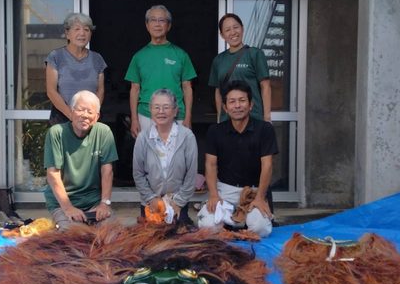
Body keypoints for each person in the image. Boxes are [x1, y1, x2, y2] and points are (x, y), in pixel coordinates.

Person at [197, 80, 278, 237]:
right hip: (225, 191)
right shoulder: (215, 131)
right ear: (226, 108)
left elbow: (267, 166)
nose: (237, 105)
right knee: (206, 226)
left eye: (242, 100)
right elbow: (211, 165)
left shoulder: (265, 130)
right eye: (232, 102)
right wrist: (214, 195)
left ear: (251, 105)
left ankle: (239, 222)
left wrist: (261, 197)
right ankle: (230, 223)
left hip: (253, 191)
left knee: (260, 229)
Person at [43, 90, 118, 229]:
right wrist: (68, 208)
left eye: (90, 112)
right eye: (80, 110)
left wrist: (104, 203)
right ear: (71, 112)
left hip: (94, 201)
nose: (85, 115)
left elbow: (107, 170)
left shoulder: (104, 132)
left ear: (97, 117)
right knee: (73, 235)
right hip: (63, 202)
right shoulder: (56, 133)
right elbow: (53, 174)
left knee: (112, 232)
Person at [125, 5, 197, 138]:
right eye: (153, 20)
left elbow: (187, 88)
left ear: (168, 26)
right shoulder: (138, 56)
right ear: (147, 25)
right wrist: (134, 119)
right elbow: (134, 89)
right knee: (147, 157)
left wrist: (188, 117)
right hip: (146, 116)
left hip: (177, 115)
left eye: (162, 20)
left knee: (176, 157)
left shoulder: (181, 55)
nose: (157, 24)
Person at [132, 89, 198, 225]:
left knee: (178, 240)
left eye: (166, 107)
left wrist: (178, 203)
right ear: (150, 110)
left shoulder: (187, 136)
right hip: (151, 203)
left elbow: (191, 175)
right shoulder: (143, 138)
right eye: (156, 107)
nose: (161, 111)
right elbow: (138, 174)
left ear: (175, 111)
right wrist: (151, 198)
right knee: (150, 241)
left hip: (177, 202)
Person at [208, 13, 272, 123]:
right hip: (227, 120)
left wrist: (267, 117)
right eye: (227, 30)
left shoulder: (255, 54)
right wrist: (220, 118)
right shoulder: (218, 60)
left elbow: (265, 86)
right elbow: (218, 91)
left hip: (253, 118)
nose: (233, 32)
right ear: (222, 35)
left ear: (242, 29)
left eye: (236, 27)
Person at [45, 12, 107, 125]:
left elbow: (100, 90)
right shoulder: (55, 57)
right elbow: (51, 91)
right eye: (77, 29)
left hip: (89, 121)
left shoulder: (97, 59)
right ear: (67, 33)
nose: (82, 33)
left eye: (87, 30)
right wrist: (72, 115)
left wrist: (92, 114)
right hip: (61, 119)